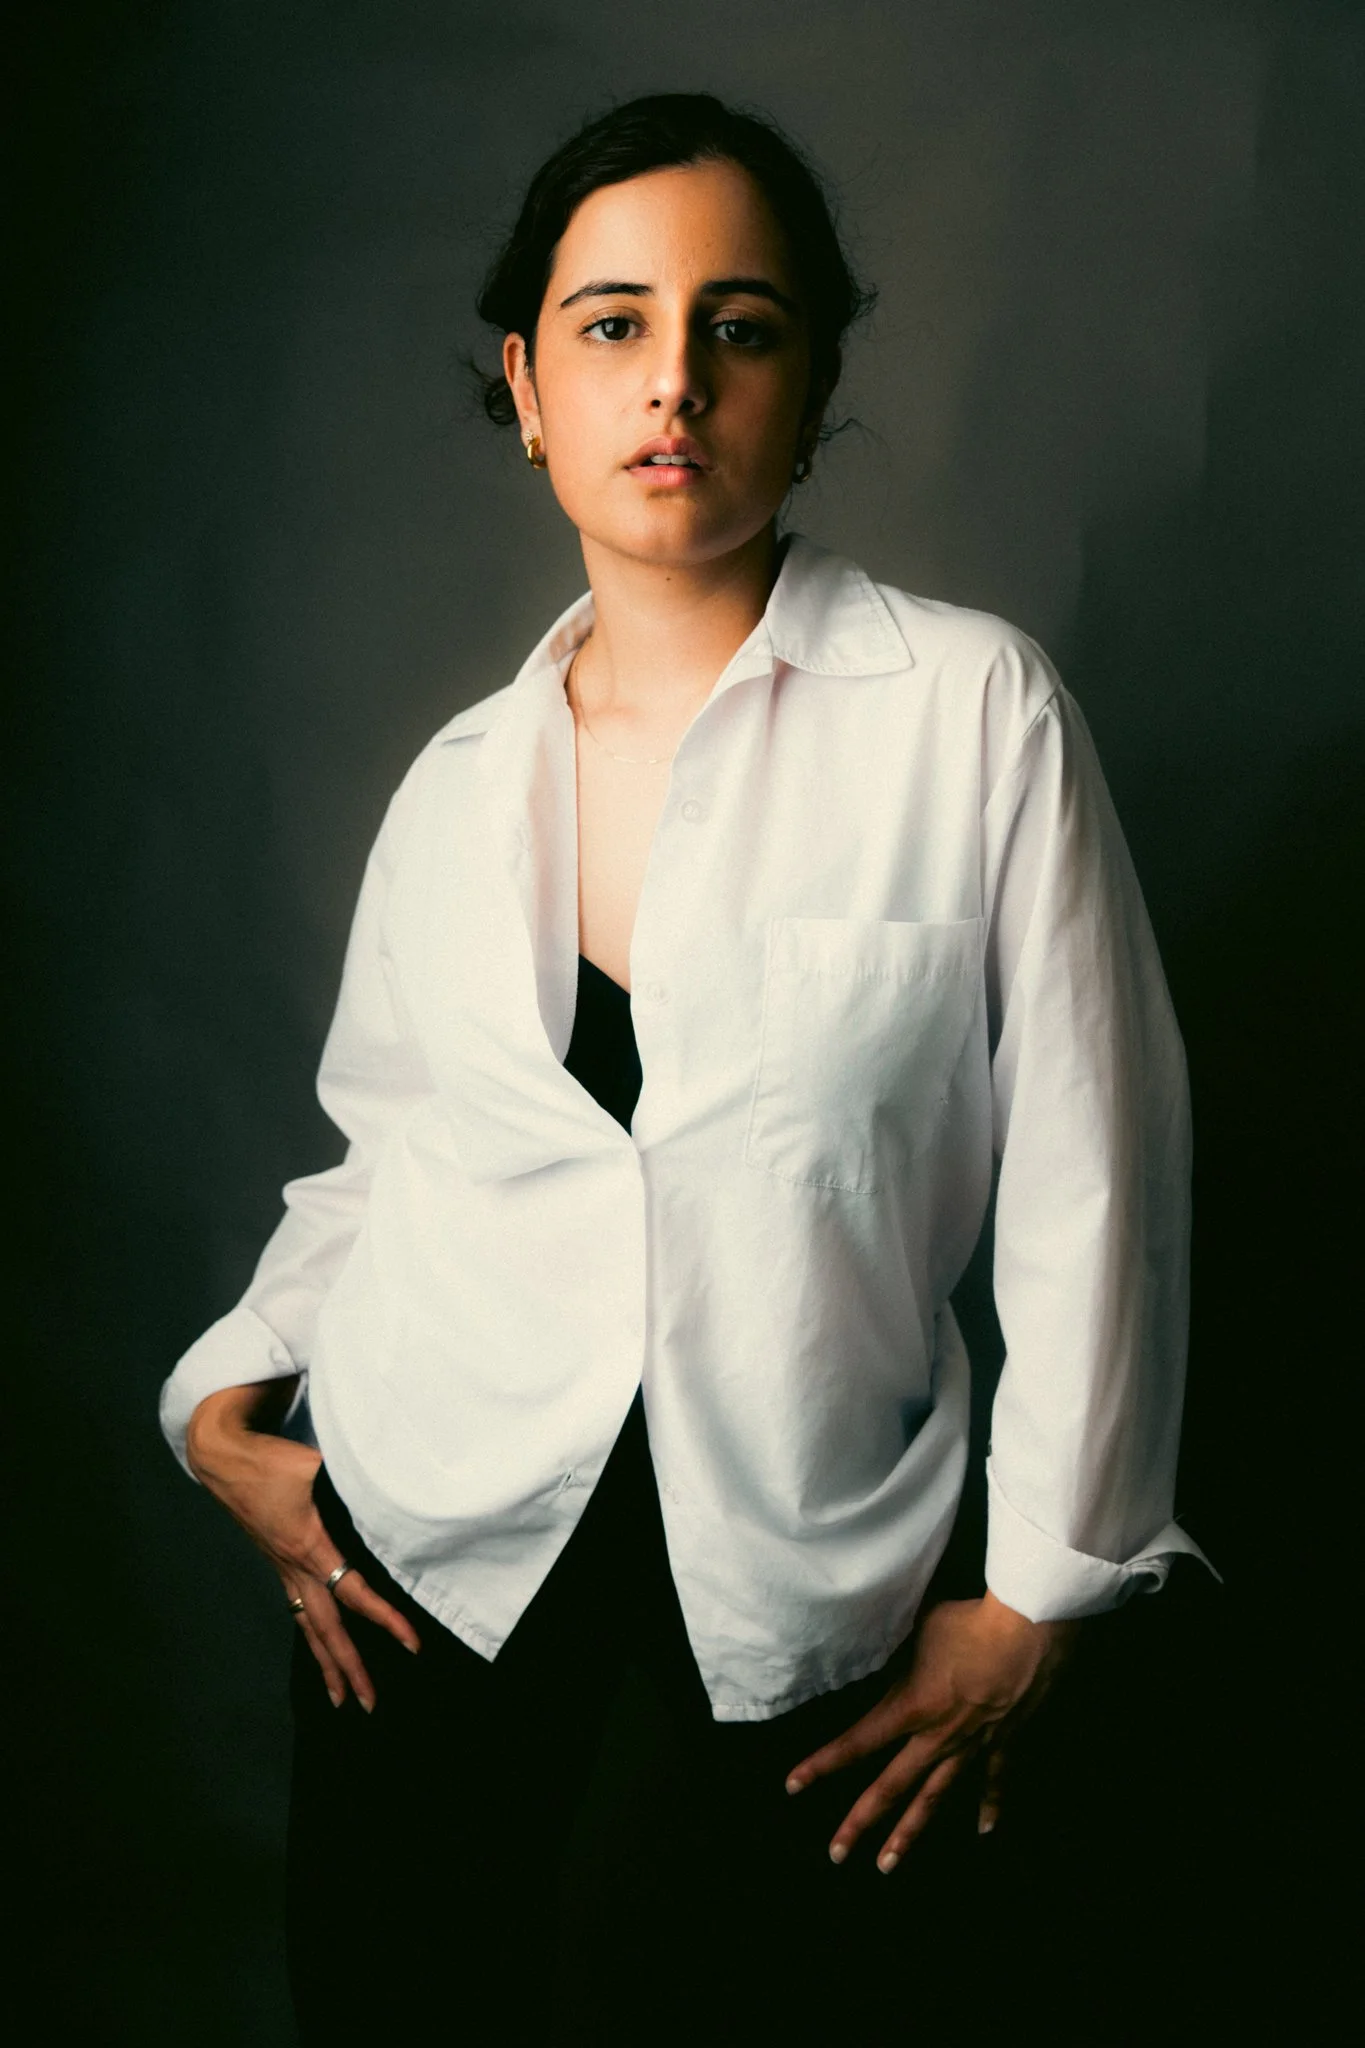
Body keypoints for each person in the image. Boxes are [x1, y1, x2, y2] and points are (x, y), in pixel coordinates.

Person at [160, 92, 1215, 2043]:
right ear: (528, 385)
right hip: (421, 1574)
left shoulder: (970, 712)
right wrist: (217, 1392)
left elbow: (1101, 1171)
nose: (673, 380)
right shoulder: (457, 789)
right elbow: (387, 1160)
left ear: (808, 382)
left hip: (804, 1590)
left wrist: (1045, 1590)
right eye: (612, 324)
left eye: (737, 324)